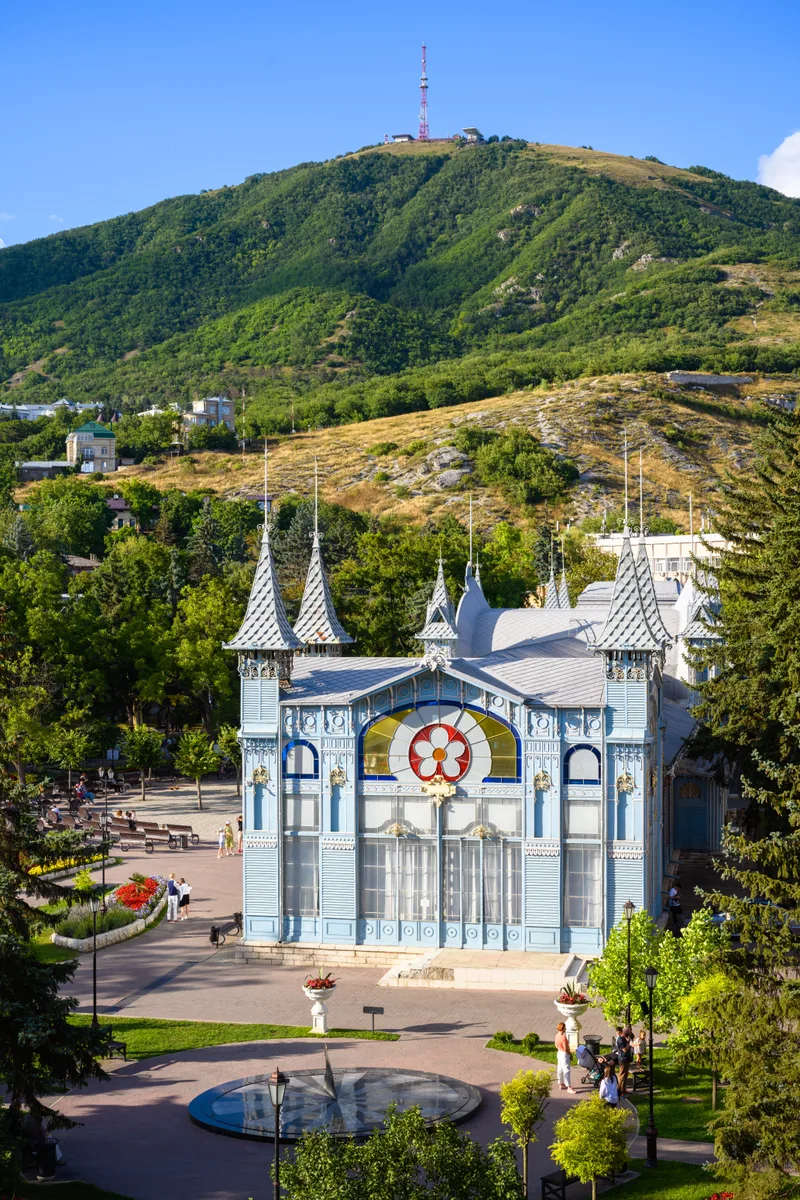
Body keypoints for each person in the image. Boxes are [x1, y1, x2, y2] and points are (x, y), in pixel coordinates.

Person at [555, 1021, 575, 1093]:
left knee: (560, 1069)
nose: (565, 1029)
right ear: (563, 1028)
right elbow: (566, 1049)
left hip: (559, 1052)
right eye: (565, 1028)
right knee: (566, 1070)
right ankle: (569, 1087)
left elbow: (556, 1045)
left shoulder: (557, 1035)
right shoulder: (563, 1038)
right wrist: (570, 1054)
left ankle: (561, 1083)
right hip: (564, 1054)